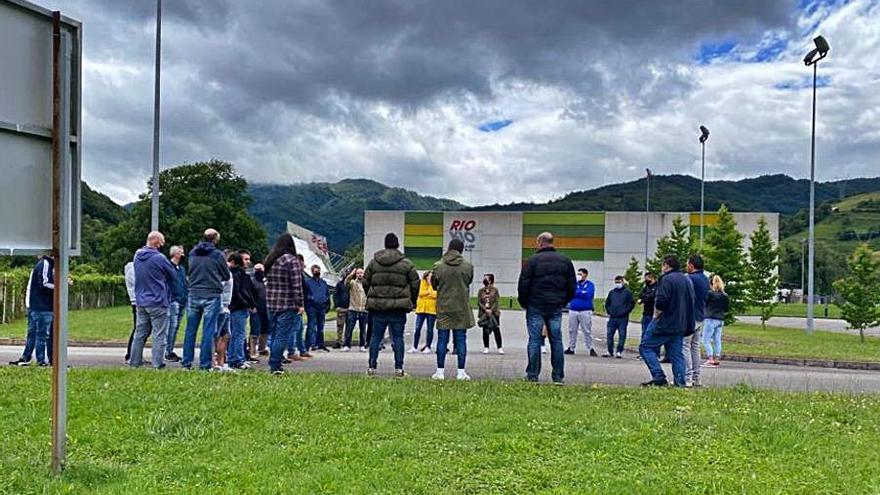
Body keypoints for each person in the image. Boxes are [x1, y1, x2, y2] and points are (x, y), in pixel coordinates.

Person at [517, 232, 576, 384]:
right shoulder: (565, 261)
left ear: (540, 242)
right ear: (552, 242)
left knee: (535, 340)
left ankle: (532, 375)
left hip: (535, 304)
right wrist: (563, 301)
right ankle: (558, 377)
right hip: (556, 305)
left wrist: (525, 303)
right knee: (556, 340)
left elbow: (523, 284)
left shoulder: (532, 261)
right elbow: (572, 286)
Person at [364, 233, 420, 377]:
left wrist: (373, 295)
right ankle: (398, 368)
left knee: (375, 337)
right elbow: (415, 284)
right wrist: (411, 301)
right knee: (398, 337)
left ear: (385, 244)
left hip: (378, 307)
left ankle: (372, 366)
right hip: (398, 308)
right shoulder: (406, 263)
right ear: (397, 245)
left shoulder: (374, 262)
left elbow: (365, 281)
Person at [638, 254, 693, 387]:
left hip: (665, 321)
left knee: (645, 347)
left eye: (663, 265)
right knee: (676, 354)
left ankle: (658, 376)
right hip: (680, 323)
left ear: (667, 266)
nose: (662, 268)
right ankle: (680, 382)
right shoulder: (686, 280)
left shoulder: (666, 279)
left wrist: (656, 316)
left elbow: (661, 301)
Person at [181, 229, 230, 370]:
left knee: (190, 330)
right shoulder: (217, 255)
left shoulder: (192, 253)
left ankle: (186, 362)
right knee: (208, 331)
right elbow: (226, 275)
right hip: (212, 294)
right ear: (215, 240)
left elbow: (190, 271)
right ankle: (204, 365)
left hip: (194, 293)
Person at [129, 231, 177, 369]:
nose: (162, 245)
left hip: (141, 301)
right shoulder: (160, 258)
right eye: (162, 242)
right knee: (159, 335)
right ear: (157, 242)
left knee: (140, 334)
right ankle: (157, 364)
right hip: (157, 301)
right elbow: (172, 275)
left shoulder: (137, 256)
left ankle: (135, 362)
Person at [430, 239, 475, 380]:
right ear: (461, 250)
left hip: (444, 306)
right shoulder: (468, 266)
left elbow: (434, 285)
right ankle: (461, 372)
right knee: (461, 339)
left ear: (449, 248)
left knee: (442, 339)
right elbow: (468, 281)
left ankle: (440, 371)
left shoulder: (438, 266)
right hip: (461, 306)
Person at [264, 233, 305, 375]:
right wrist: (300, 303)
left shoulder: (270, 259)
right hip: (287, 303)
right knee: (282, 335)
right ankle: (275, 364)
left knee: (274, 334)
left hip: (271, 302)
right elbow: (296, 284)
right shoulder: (291, 260)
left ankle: (273, 361)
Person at [9, 255, 56, 367]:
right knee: (43, 335)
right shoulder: (46, 264)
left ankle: (27, 357)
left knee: (35, 334)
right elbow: (44, 283)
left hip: (34, 305)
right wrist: (60, 286)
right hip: (42, 306)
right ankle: (42, 360)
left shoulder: (41, 265)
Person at [227, 251, 257, 370]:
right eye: (246, 259)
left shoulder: (237, 274)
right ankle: (238, 359)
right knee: (239, 334)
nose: (248, 262)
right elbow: (240, 292)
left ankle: (233, 358)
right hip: (239, 307)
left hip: (236, 306)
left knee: (235, 334)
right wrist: (247, 303)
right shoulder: (239, 274)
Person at [685, 255, 710, 387]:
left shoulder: (689, 279)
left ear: (691, 265)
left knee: (685, 346)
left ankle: (686, 377)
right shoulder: (705, 279)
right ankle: (696, 377)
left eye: (687, 264)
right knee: (695, 347)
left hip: (689, 316)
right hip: (700, 315)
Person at [565, 268, 596, 356]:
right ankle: (571, 347)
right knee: (572, 330)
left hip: (585, 310)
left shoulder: (590, 285)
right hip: (574, 310)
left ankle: (590, 348)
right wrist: (580, 292)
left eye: (580, 274)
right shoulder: (574, 284)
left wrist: (577, 293)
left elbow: (588, 294)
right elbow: (570, 293)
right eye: (578, 274)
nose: (579, 276)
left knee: (587, 330)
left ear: (585, 275)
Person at [603, 275, 635, 359]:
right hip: (612, 317)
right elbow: (607, 303)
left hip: (623, 318)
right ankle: (610, 351)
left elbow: (631, 303)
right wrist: (609, 311)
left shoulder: (627, 292)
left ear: (623, 282)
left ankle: (619, 351)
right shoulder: (612, 292)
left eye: (619, 282)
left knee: (622, 335)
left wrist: (625, 311)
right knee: (609, 334)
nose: (618, 284)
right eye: (616, 282)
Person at [165, 245, 187, 362]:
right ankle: (167, 351)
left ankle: (170, 349)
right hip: (173, 301)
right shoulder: (169, 267)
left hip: (182, 300)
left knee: (176, 327)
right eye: (181, 252)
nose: (183, 254)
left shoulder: (181, 269)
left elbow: (184, 283)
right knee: (171, 327)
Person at [123, 260, 148, 363]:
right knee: (139, 330)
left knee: (142, 330)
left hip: (139, 301)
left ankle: (136, 354)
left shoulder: (135, 268)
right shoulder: (133, 270)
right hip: (137, 302)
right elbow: (140, 284)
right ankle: (131, 355)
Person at [702, 275, 729, 368]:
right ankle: (717, 358)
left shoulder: (710, 293)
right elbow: (726, 308)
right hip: (720, 319)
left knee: (706, 339)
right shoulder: (725, 295)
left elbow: (705, 304)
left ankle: (710, 359)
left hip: (710, 318)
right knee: (717, 339)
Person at [305, 264, 331, 352]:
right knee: (311, 326)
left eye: (318, 271)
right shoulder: (307, 282)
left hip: (321, 307)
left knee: (321, 326)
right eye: (315, 271)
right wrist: (310, 300)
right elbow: (305, 295)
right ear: (312, 272)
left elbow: (327, 294)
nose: (317, 272)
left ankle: (320, 344)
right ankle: (310, 344)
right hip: (311, 307)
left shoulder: (323, 283)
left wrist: (327, 304)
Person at [411, 271, 437, 353]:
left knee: (430, 329)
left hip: (431, 309)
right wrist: (428, 293)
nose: (429, 278)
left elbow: (435, 294)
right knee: (417, 327)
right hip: (421, 309)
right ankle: (414, 346)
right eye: (428, 277)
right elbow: (420, 293)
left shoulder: (435, 284)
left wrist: (430, 285)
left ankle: (428, 346)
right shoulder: (422, 282)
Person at [344, 268, 369, 352]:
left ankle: (362, 344)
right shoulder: (353, 283)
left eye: (361, 273)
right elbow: (346, 282)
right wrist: (351, 274)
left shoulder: (366, 284)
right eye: (358, 273)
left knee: (363, 328)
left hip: (364, 309)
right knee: (350, 328)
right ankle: (347, 344)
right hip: (353, 308)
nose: (360, 275)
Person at [249, 262, 271, 358]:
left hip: (266, 308)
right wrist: (252, 306)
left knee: (265, 330)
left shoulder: (266, 281)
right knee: (255, 330)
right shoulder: (252, 281)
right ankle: (252, 350)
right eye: (257, 270)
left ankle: (262, 348)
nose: (260, 272)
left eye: (261, 270)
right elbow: (250, 295)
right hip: (256, 309)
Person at [478, 273, 503, 354]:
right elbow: (479, 302)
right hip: (484, 313)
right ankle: (486, 347)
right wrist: (485, 310)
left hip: (494, 313)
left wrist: (491, 310)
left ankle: (499, 347)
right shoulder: (481, 291)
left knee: (496, 329)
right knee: (485, 330)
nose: (485, 280)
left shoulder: (495, 290)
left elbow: (496, 301)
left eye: (487, 278)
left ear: (490, 280)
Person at [333, 270, 351, 349]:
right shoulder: (339, 284)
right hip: (341, 307)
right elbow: (335, 295)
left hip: (350, 308)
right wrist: (337, 305)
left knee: (349, 326)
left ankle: (347, 341)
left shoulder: (352, 284)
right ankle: (339, 341)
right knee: (340, 325)